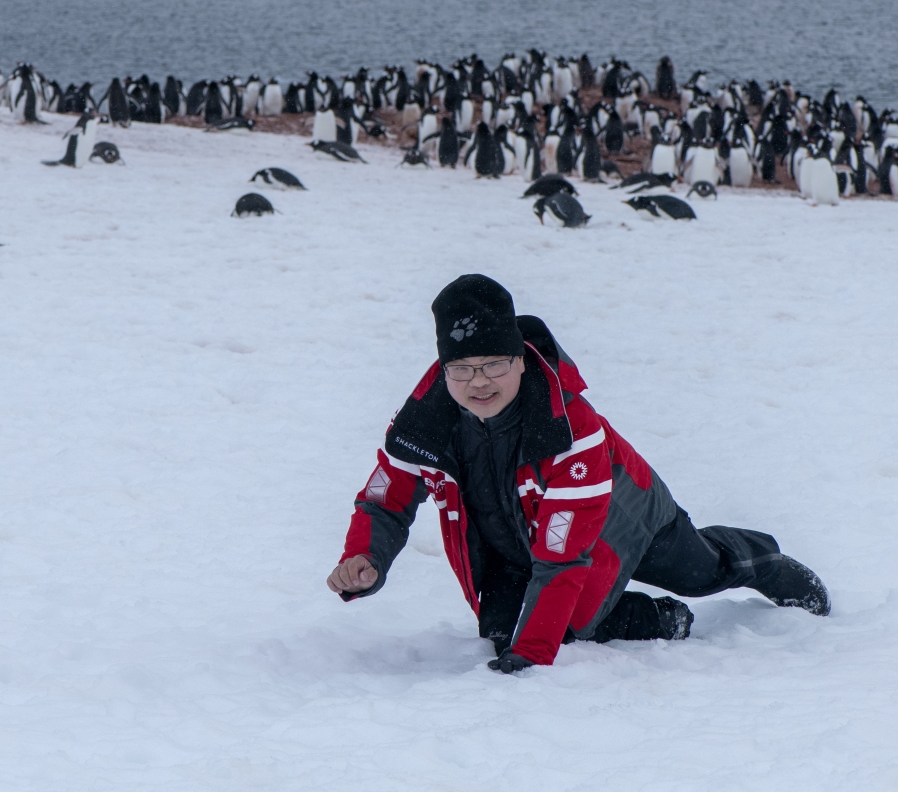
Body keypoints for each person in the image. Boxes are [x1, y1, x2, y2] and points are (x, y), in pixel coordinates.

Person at [327, 273, 828, 674]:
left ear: (521, 359)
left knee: (696, 575)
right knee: (503, 631)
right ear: (443, 368)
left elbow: (564, 561)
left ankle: (760, 560)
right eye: (462, 368)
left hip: (625, 515)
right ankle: (652, 618)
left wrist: (534, 658)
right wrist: (363, 557)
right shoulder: (425, 423)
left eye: (494, 364)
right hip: (520, 540)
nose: (479, 382)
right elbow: (384, 500)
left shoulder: (569, 429)